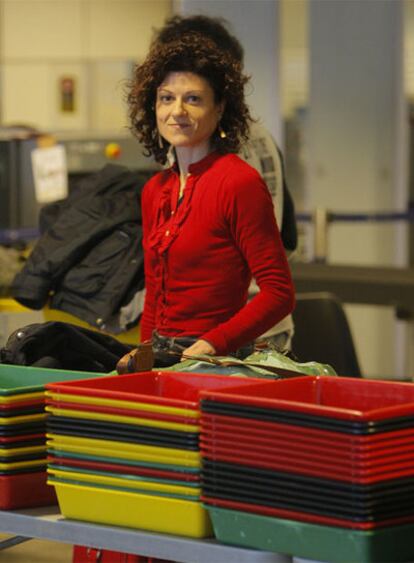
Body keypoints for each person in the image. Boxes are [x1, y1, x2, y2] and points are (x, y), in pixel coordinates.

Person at [125, 15, 295, 367]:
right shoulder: (156, 189)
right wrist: (142, 357)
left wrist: (212, 344)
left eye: (193, 99)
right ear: (152, 106)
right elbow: (155, 294)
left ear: (219, 108)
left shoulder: (238, 181)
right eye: (166, 98)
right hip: (166, 356)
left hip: (218, 358)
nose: (177, 111)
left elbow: (279, 292)